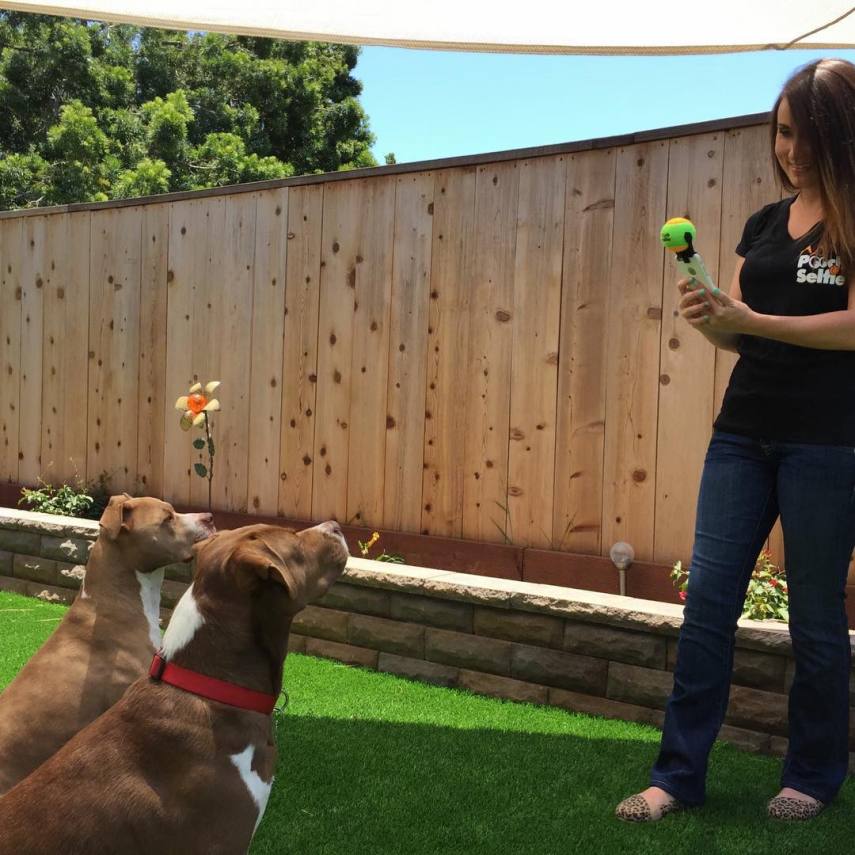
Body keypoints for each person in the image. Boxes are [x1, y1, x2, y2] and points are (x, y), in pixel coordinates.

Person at [616, 57, 855, 823]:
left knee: (814, 617)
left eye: (808, 136)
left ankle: (811, 776)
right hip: (741, 435)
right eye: (783, 133)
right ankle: (677, 774)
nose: (791, 151)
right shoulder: (762, 224)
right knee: (708, 607)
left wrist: (751, 321)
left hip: (828, 443)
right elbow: (747, 341)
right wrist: (717, 321)